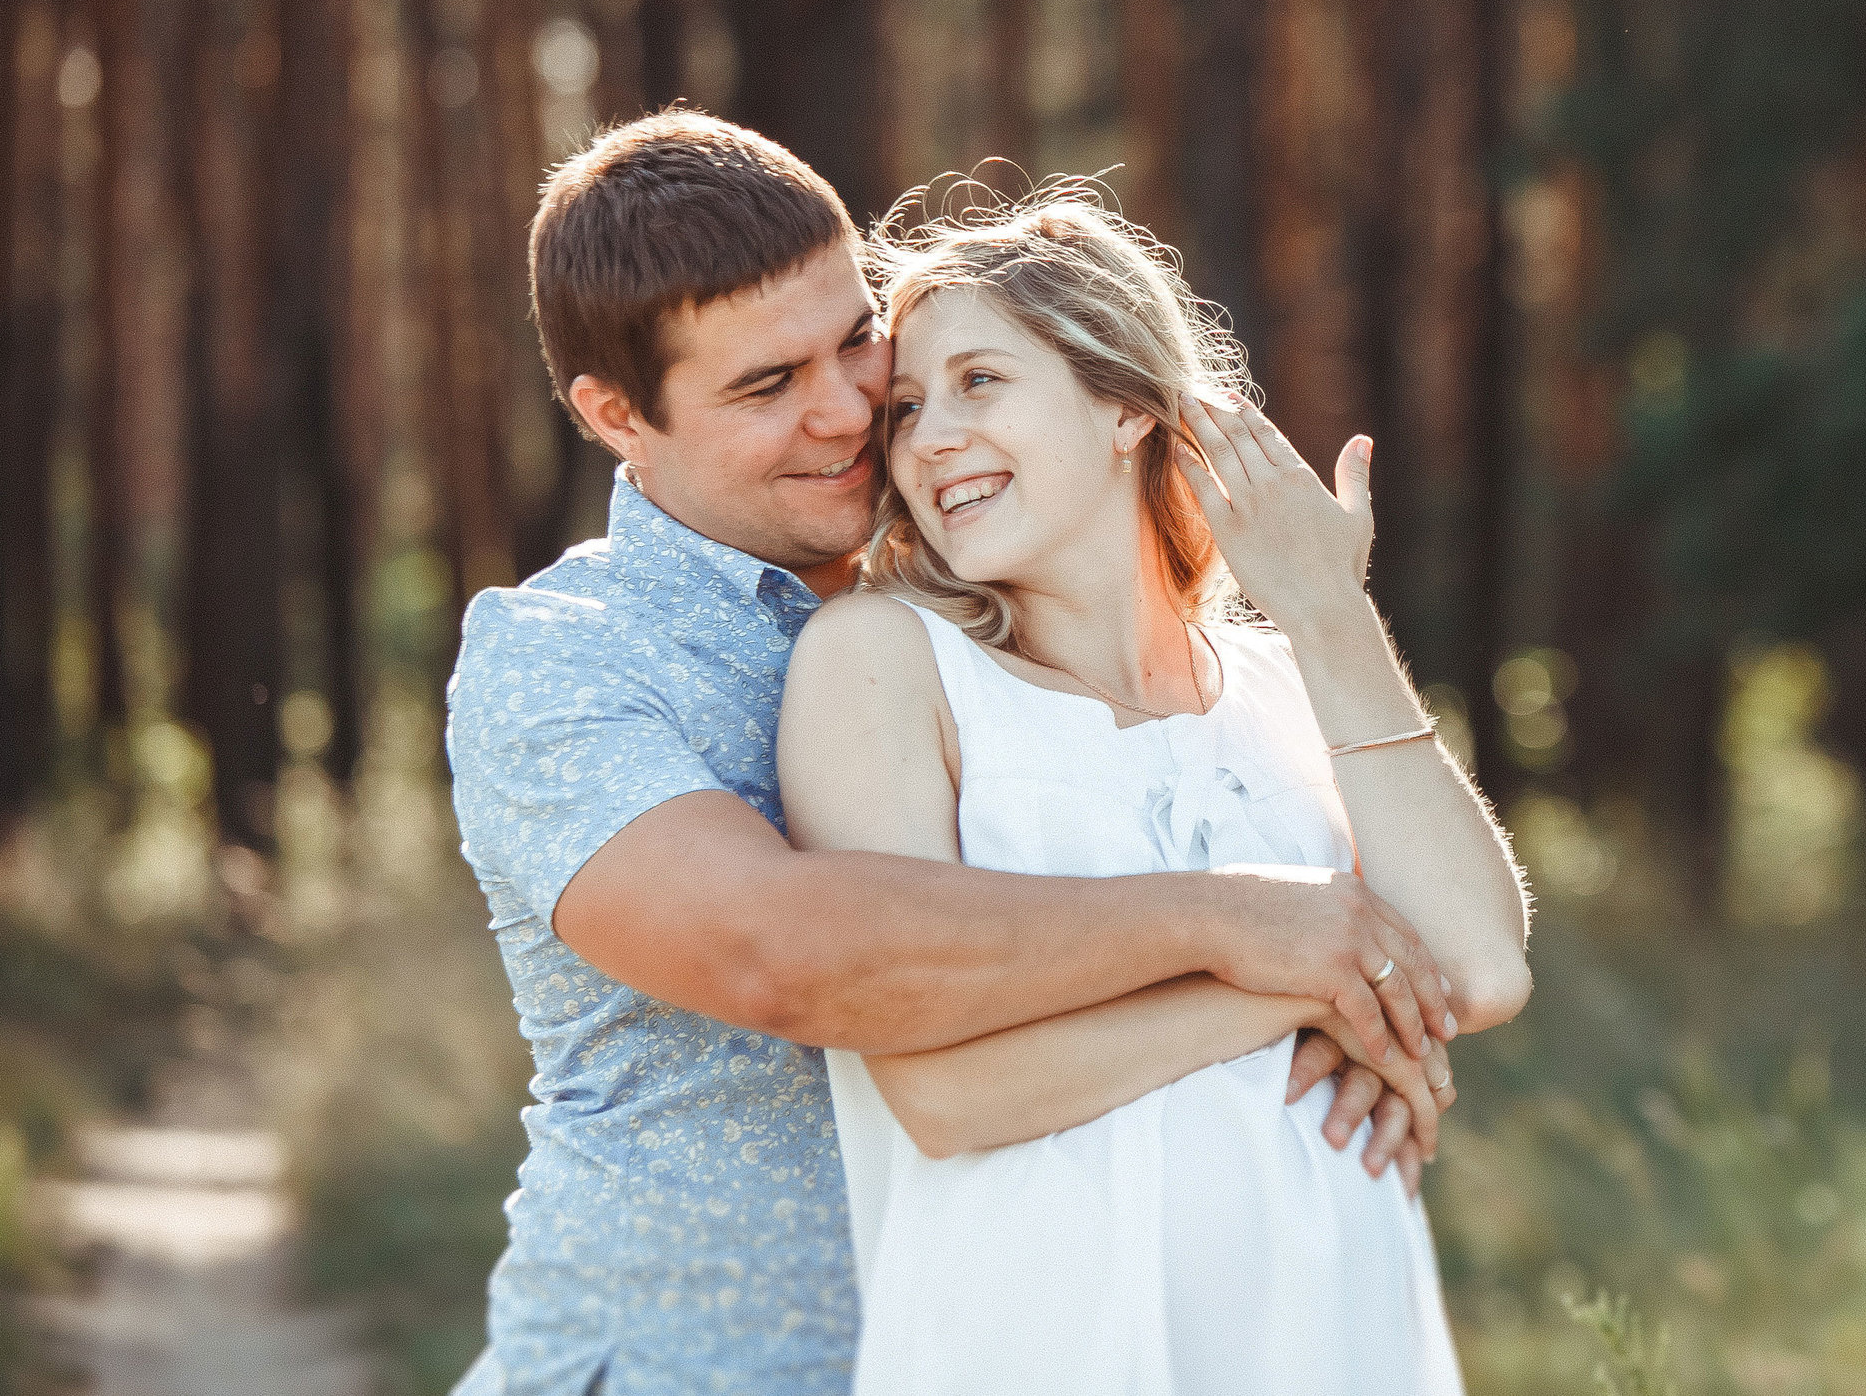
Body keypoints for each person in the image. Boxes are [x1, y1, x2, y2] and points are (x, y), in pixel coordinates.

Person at [445, 112, 1455, 1396]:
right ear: (613, 414)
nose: (847, 413)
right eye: (766, 386)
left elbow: (1420, 939)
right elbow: (783, 955)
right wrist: (1249, 931)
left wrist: (1344, 1009)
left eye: (856, 340)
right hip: (688, 1369)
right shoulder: (564, 658)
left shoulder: (986, 606)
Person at [777, 192, 1533, 1394]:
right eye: (908, 408)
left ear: (1128, 403)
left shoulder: (1291, 681)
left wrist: (1330, 608)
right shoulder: (885, 665)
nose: (925, 441)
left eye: (980, 381)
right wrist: (1301, 989)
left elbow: (1481, 968)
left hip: (1332, 1340)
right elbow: (942, 1088)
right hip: (1044, 1348)